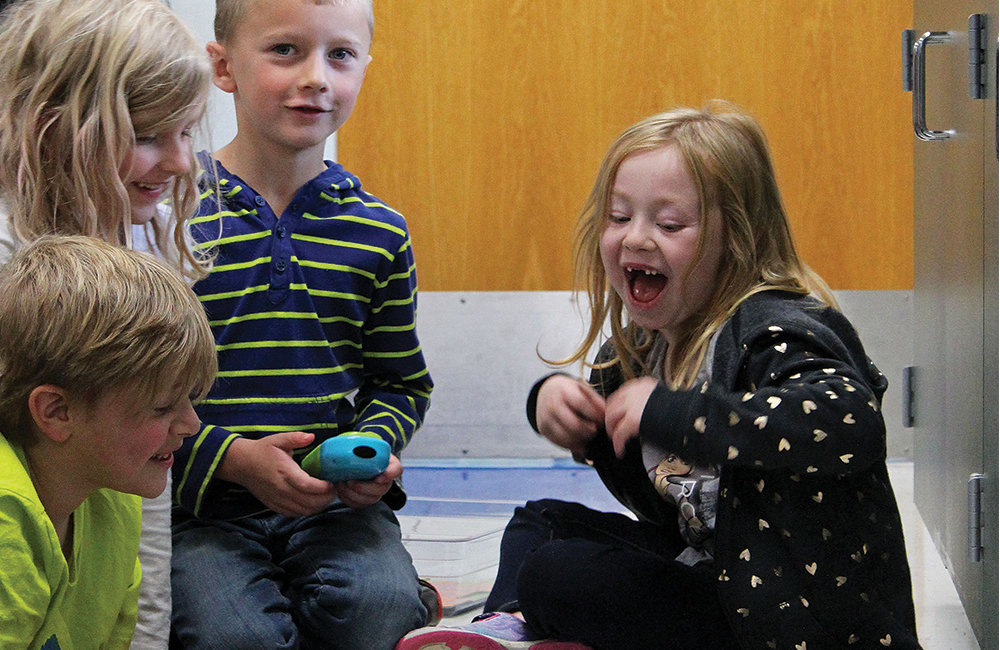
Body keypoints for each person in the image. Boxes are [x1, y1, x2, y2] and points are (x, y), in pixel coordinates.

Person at [397, 104, 922, 650]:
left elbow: (850, 420)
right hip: (715, 576)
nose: (636, 239)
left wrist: (675, 414)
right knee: (542, 524)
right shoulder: (642, 346)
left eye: (669, 224)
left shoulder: (775, 331)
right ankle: (508, 630)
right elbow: (619, 438)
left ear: (737, 239)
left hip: (783, 616)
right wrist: (555, 406)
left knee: (559, 573)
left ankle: (541, 622)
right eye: (619, 217)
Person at [169, 1, 434, 649]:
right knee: (236, 636)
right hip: (200, 506)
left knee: (376, 608)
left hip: (332, 505)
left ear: (364, 70)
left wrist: (373, 447)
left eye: (339, 55)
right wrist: (229, 458)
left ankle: (403, 596)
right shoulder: (170, 217)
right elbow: (131, 394)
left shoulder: (379, 232)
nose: (317, 76)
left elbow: (400, 382)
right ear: (224, 67)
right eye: (286, 51)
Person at [0, 1, 212, 647]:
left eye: (186, 133)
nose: (179, 163)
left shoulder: (142, 243)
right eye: (149, 135)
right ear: (50, 123)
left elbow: (143, 480)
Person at [0, 235, 217, 650]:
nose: (191, 424)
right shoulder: (6, 518)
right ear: (56, 412)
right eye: (161, 408)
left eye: (189, 399)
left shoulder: (113, 498)